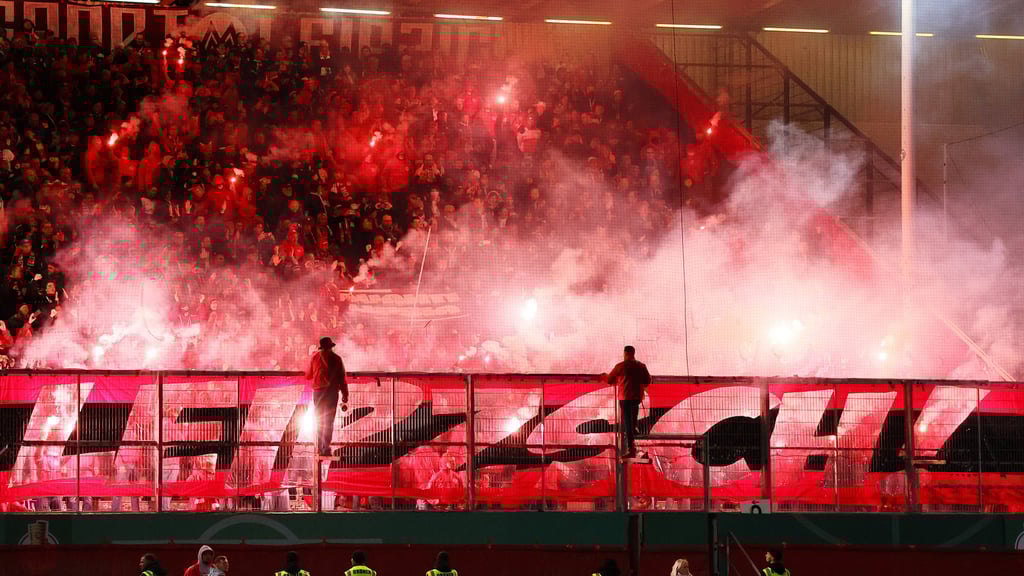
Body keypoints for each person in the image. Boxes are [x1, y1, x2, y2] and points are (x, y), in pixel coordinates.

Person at [304, 336, 349, 458]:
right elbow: (342, 379)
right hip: (331, 392)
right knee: (329, 420)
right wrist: (345, 394)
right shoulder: (336, 359)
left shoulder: (315, 357)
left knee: (319, 419)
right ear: (331, 347)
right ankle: (325, 447)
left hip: (318, 391)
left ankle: (318, 447)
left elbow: (308, 375)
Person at [603, 345, 651, 458]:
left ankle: (631, 449)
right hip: (637, 398)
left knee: (627, 423)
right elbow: (647, 381)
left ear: (625, 353)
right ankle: (634, 438)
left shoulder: (620, 366)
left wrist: (607, 377)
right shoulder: (641, 366)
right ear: (634, 353)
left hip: (624, 398)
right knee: (633, 421)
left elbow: (609, 380)